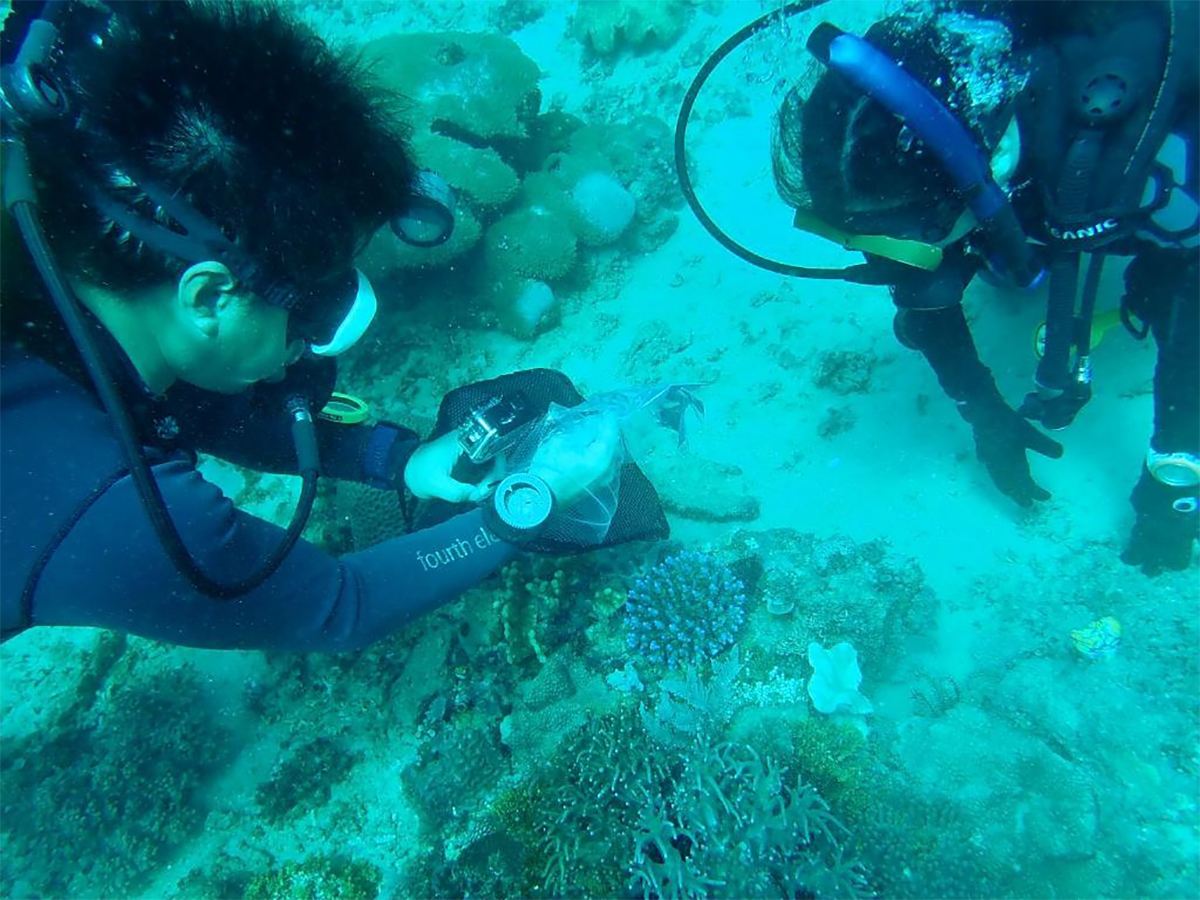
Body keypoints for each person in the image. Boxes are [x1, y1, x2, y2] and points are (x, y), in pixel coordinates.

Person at [0, 1, 640, 648]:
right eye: (311, 305)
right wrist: (529, 500)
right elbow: (341, 605)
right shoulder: (104, 509)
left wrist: (399, 459)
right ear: (209, 298)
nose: (311, 347)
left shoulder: (62, 290)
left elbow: (192, 409)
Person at [766, 0, 1198, 575]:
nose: (896, 258)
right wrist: (984, 411)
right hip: (1009, 185)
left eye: (911, 236)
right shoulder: (923, 107)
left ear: (990, 167)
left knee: (1167, 277)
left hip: (1160, 213)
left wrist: (1175, 473)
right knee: (978, 263)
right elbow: (924, 281)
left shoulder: (1136, 159)